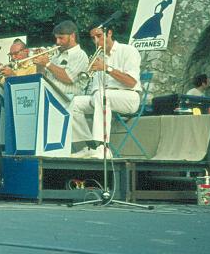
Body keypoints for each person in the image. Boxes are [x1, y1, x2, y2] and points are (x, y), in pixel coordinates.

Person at [71, 25, 142, 158]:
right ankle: (90, 146)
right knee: (72, 102)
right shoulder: (99, 56)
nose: (96, 41)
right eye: (93, 38)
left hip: (129, 97)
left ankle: (103, 148)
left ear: (109, 33)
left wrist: (106, 68)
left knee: (101, 96)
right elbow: (95, 89)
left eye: (99, 36)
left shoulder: (128, 51)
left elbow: (132, 82)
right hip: (102, 97)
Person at [33, 20, 89, 98]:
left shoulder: (80, 55)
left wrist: (47, 64)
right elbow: (42, 78)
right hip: (50, 97)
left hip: (69, 99)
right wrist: (40, 64)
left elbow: (69, 78)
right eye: (56, 38)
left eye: (61, 38)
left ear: (72, 36)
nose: (57, 42)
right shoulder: (56, 56)